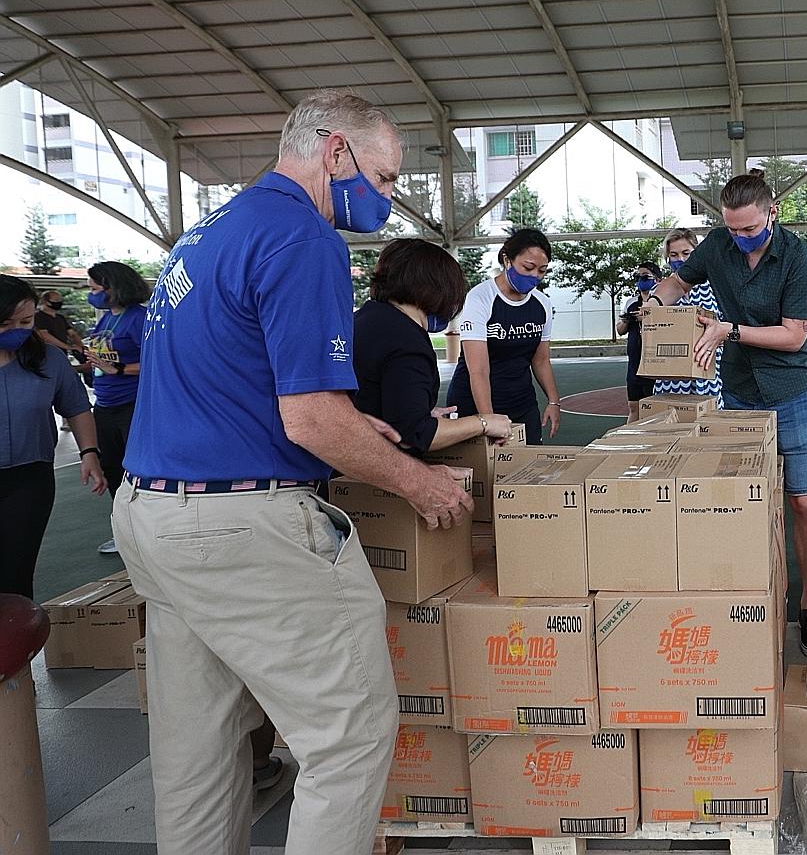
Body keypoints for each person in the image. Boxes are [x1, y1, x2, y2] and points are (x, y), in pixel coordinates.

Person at [115, 89, 473, 855]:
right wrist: (417, 480)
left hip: (152, 514)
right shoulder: (303, 236)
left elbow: (235, 382)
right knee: (349, 733)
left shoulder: (207, 232)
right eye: (382, 179)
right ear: (336, 150)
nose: (386, 198)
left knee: (197, 751)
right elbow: (308, 418)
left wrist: (350, 426)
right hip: (239, 528)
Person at [644, 172, 807, 658]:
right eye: (732, 229)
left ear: (773, 213)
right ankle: (755, 597)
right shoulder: (717, 246)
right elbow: (677, 280)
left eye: (749, 229)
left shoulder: (801, 258)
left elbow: (793, 336)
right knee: (747, 500)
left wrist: (730, 331)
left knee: (804, 503)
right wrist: (654, 304)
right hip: (742, 389)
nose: (740, 237)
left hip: (793, 388)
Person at [352, 238, 514, 453]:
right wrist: (483, 422)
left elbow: (382, 405)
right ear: (437, 290)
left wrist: (421, 411)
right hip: (367, 463)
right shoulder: (407, 342)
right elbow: (414, 434)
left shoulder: (365, 319)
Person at [0, 275, 107, 598]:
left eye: (26, 321)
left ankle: (16, 644)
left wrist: (90, 452)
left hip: (28, 480)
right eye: (6, 323)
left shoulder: (47, 358)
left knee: (16, 574)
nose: (17, 330)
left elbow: (75, 407)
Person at [446, 228, 562, 444]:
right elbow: (478, 370)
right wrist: (488, 421)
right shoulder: (481, 298)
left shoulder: (542, 304)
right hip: (476, 406)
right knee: (484, 474)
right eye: (528, 267)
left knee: (526, 469)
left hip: (521, 403)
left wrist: (554, 402)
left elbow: (541, 360)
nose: (535, 276)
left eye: (542, 270)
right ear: (507, 260)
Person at [81, 260, 151, 556]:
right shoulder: (104, 319)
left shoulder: (140, 319)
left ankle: (146, 534)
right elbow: (102, 361)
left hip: (132, 402)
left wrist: (120, 369)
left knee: (136, 469)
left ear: (113, 287)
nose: (91, 292)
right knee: (111, 468)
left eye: (95, 287)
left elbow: (155, 360)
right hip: (104, 404)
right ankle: (124, 532)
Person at [651, 228, 724, 402]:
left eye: (686, 253)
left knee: (710, 423)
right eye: (674, 255)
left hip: (708, 369)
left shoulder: (715, 287)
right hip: (672, 374)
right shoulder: (659, 293)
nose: (680, 259)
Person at [617, 260, 665, 422]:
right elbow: (620, 330)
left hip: (656, 361)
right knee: (633, 406)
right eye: (637, 277)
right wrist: (628, 319)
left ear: (657, 279)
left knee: (655, 408)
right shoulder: (631, 302)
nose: (640, 280)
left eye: (645, 276)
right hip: (634, 362)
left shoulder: (663, 301)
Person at [32, 289, 82, 354]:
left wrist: (81, 346)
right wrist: (68, 347)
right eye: (56, 300)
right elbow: (44, 336)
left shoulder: (60, 318)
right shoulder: (37, 317)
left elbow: (72, 333)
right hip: (46, 354)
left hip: (62, 353)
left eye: (60, 300)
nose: (59, 302)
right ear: (46, 302)